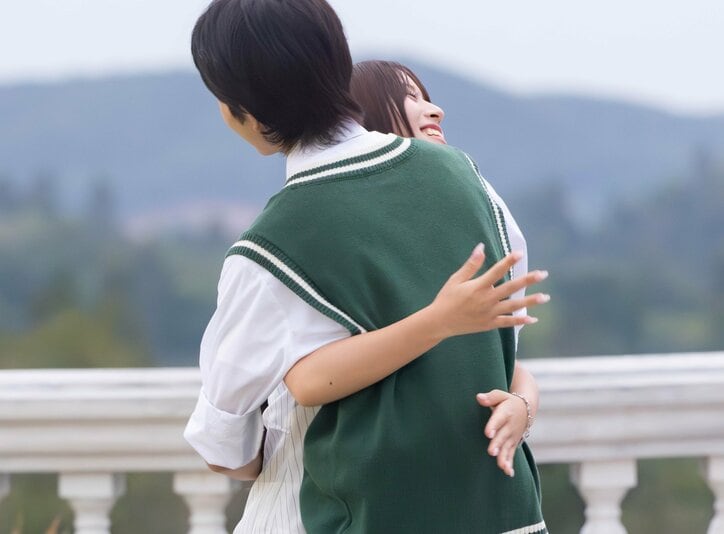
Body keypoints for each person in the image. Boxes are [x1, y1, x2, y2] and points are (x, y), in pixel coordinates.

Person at [183, 1, 549, 532]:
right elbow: (499, 344)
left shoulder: (269, 248)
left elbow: (225, 447)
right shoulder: (465, 177)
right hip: (501, 515)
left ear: (245, 112)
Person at [350, 58, 540, 472]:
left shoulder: (469, 211)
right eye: (408, 98)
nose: (436, 111)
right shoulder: (350, 227)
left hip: (477, 473)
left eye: (426, 98)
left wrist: (523, 406)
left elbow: (503, 361)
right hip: (391, 473)